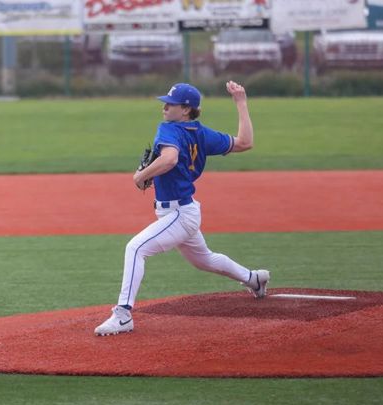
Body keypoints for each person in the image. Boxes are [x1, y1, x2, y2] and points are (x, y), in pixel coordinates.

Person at [94, 81, 270, 336]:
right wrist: (241, 103)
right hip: (183, 212)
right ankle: (253, 278)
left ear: (186, 109)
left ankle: (123, 315)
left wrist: (141, 175)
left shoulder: (168, 129)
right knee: (205, 259)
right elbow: (244, 142)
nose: (165, 107)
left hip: (179, 214)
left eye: (171, 104)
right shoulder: (201, 133)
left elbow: (169, 159)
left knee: (135, 248)